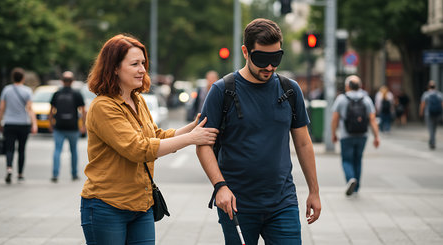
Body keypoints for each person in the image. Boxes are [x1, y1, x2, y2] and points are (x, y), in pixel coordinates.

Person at [80, 34, 219, 245]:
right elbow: (138, 149)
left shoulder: (138, 100)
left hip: (142, 206)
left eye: (143, 63)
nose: (142, 70)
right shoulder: (103, 106)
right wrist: (191, 138)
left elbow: (156, 137)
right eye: (134, 64)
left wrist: (192, 128)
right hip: (106, 206)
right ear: (114, 68)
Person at [196, 18, 321, 245]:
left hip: (283, 202)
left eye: (276, 59)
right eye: (262, 59)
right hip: (235, 204)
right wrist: (219, 187)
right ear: (246, 51)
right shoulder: (222, 91)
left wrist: (314, 191)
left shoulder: (290, 90)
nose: (270, 67)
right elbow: (203, 145)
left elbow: (303, 143)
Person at [331, 75, 380, 196]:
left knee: (347, 160)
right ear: (360, 86)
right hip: (362, 135)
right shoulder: (367, 99)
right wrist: (376, 136)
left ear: (347, 86)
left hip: (346, 135)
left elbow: (335, 119)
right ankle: (356, 188)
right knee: (358, 160)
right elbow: (372, 120)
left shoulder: (341, 99)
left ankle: (350, 179)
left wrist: (333, 133)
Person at [0, 67, 38, 184]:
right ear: (23, 78)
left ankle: (9, 169)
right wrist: (34, 124)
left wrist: (0, 122)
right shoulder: (27, 91)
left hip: (9, 123)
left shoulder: (6, 90)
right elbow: (30, 109)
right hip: (23, 124)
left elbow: (1, 108)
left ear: (12, 78)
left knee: (9, 148)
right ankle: (20, 174)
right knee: (21, 149)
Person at [48, 71, 86, 183]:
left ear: (62, 81)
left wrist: (50, 123)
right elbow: (83, 111)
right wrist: (83, 125)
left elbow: (51, 111)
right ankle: (74, 174)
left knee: (57, 150)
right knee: (73, 151)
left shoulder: (57, 93)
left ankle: (55, 174)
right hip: (73, 127)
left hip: (59, 126)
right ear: (72, 81)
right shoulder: (76, 94)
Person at [419, 80, 443, 150]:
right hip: (437, 114)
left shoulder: (426, 94)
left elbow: (422, 104)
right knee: (434, 128)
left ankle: (432, 142)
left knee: (430, 128)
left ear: (428, 86)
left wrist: (421, 112)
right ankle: (432, 141)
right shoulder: (439, 94)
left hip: (428, 114)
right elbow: (442, 104)